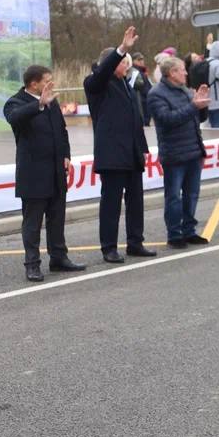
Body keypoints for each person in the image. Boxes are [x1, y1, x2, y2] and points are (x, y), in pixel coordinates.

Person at [4, 65, 83, 282]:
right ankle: (32, 264)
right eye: (47, 80)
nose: (51, 84)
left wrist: (66, 154)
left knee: (57, 218)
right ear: (33, 84)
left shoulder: (51, 101)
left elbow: (61, 130)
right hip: (33, 174)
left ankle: (59, 257)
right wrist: (39, 104)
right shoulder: (15, 102)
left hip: (56, 171)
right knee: (32, 223)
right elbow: (15, 118)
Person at [83, 26, 155, 263]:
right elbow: (102, 73)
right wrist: (122, 48)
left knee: (136, 201)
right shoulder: (96, 83)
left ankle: (135, 242)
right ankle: (109, 247)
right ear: (110, 63)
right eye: (124, 62)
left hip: (132, 152)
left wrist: (142, 149)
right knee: (111, 203)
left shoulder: (125, 83)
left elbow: (134, 118)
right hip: (112, 154)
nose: (128, 67)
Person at [146, 56, 212, 248]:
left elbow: (197, 118)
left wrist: (201, 104)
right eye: (182, 70)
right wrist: (193, 106)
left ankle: (189, 230)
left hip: (193, 150)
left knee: (192, 194)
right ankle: (174, 234)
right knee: (174, 196)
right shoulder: (156, 94)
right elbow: (167, 119)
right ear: (171, 73)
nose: (185, 73)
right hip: (174, 153)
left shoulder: (184, 90)